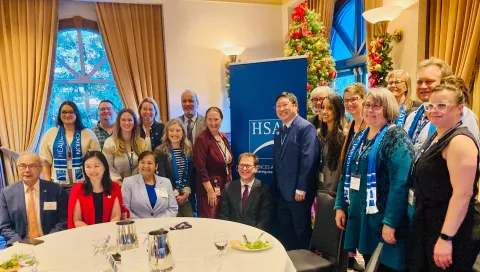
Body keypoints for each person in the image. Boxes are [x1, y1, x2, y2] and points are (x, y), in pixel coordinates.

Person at [335, 88, 414, 271]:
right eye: (368, 105)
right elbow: (346, 173)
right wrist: (340, 205)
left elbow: (400, 183)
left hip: (383, 220)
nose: (370, 110)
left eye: (377, 106)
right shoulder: (359, 137)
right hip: (362, 216)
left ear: (388, 109)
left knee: (384, 265)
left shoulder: (396, 137)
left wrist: (390, 222)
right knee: (371, 262)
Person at [409, 84, 480, 271]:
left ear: (459, 109)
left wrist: (446, 238)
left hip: (449, 228)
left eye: (442, 105)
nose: (433, 111)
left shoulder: (460, 141)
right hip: (428, 221)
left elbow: (463, 194)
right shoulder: (436, 135)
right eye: (430, 106)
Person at [273, 92, 320, 250]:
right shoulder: (280, 130)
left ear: (295, 106)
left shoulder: (306, 128)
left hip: (298, 193)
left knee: (301, 230)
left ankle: (305, 263)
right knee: (286, 231)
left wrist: (301, 188)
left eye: (285, 105)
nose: (281, 109)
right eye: (278, 106)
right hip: (282, 192)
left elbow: (308, 160)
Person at [404, 58, 479, 150]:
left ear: (444, 83)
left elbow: (470, 153)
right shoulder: (412, 116)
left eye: (429, 81)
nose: (423, 86)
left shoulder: (461, 114)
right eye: (419, 82)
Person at [0, 154, 67, 246]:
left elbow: (63, 220)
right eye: (23, 166)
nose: (27, 170)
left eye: (32, 166)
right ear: (18, 169)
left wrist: (50, 239)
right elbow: (4, 226)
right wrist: (18, 242)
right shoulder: (6, 193)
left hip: (51, 241)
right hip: (19, 243)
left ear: (40, 169)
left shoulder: (56, 190)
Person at [341, 83, 368, 272]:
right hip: (352, 184)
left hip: (366, 187)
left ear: (363, 99)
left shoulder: (370, 122)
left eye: (354, 99)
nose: (350, 104)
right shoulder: (352, 123)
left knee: (366, 239)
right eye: (346, 100)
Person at [40, 101, 100, 185]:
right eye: (64, 112)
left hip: (84, 184)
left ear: (76, 114)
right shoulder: (50, 133)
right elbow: (45, 162)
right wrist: (48, 184)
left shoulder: (88, 133)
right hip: (57, 185)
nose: (67, 115)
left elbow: (97, 160)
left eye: (71, 112)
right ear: (59, 115)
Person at [193, 107, 233, 219]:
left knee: (223, 219)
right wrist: (210, 191)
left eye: (216, 119)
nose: (213, 123)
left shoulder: (223, 137)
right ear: (205, 120)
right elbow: (200, 168)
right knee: (211, 220)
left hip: (223, 186)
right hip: (208, 190)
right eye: (210, 119)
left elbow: (227, 162)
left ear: (221, 120)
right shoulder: (202, 139)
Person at [67, 151, 122, 229]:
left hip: (110, 233)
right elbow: (77, 221)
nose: (92, 171)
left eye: (96, 166)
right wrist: (93, 233)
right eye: (88, 167)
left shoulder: (114, 187)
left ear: (105, 167)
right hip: (85, 233)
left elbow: (116, 216)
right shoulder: (77, 189)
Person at [219, 153, 273, 230]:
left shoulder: (264, 189)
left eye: (248, 166)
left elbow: (264, 219)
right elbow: (224, 216)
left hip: (255, 235)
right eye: (241, 165)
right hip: (233, 232)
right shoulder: (228, 188)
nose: (244, 169)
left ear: (256, 168)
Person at [155, 119, 194, 217]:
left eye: (178, 130)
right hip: (168, 196)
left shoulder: (188, 150)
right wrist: (175, 195)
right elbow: (162, 177)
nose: (174, 133)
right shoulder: (160, 151)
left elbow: (190, 174)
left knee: (190, 222)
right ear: (167, 132)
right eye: (171, 130)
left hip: (184, 196)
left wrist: (186, 194)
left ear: (183, 132)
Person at [122, 151, 178, 218]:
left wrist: (160, 222)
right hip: (138, 226)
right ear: (138, 165)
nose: (146, 166)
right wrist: (144, 224)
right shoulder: (128, 182)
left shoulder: (166, 182)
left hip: (162, 225)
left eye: (149, 163)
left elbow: (173, 208)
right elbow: (125, 209)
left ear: (156, 166)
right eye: (142, 162)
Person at [176, 90, 206, 215]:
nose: (187, 104)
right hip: (182, 171)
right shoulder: (175, 123)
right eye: (184, 101)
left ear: (197, 103)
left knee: (202, 204)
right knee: (186, 206)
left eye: (191, 101)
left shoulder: (205, 122)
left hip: (201, 170)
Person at [102, 108, 148, 184]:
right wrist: (120, 185)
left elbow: (145, 166)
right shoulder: (109, 143)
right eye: (123, 120)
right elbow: (108, 168)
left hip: (139, 185)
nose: (126, 123)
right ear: (119, 122)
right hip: (117, 187)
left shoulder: (142, 143)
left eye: (130, 120)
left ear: (134, 123)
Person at [317, 93, 348, 192]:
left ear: (338, 110)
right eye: (323, 107)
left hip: (335, 190)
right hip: (319, 187)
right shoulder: (319, 134)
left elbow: (341, 168)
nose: (324, 112)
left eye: (329, 108)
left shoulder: (343, 135)